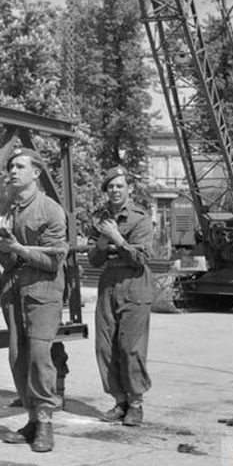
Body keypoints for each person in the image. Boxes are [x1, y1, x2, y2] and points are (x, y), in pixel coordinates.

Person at [0, 147, 68, 453]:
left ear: (36, 173)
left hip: (43, 292)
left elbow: (54, 261)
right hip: (15, 290)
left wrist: (17, 247)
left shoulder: (50, 210)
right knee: (18, 357)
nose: (13, 171)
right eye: (11, 166)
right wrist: (4, 245)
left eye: (20, 166)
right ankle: (31, 420)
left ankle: (46, 422)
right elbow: (5, 258)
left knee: (39, 356)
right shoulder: (10, 209)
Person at [87, 166, 154, 427]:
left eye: (120, 186)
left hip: (135, 283)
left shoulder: (140, 218)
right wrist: (103, 242)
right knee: (105, 346)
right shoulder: (98, 219)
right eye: (110, 187)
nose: (115, 190)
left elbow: (142, 258)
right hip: (108, 283)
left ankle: (135, 403)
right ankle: (119, 400)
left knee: (130, 347)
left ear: (129, 189)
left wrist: (118, 238)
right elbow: (94, 260)